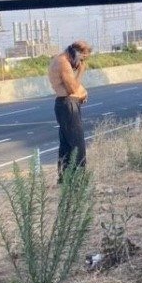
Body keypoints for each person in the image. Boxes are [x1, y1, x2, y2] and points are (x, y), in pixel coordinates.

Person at [48, 40, 92, 179]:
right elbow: (72, 88)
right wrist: (81, 71)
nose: (81, 62)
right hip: (68, 105)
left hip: (64, 104)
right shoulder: (63, 63)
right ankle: (79, 178)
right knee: (77, 144)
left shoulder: (58, 60)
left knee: (66, 145)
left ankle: (64, 178)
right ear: (76, 53)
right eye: (82, 58)